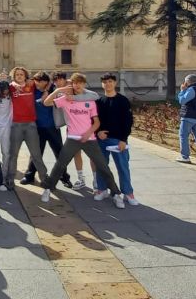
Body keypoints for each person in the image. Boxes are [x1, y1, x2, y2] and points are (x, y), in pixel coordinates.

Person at [41, 73, 124, 209]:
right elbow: (46, 102)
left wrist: (88, 133)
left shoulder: (89, 101)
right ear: (71, 84)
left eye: (80, 82)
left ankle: (116, 194)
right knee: (60, 164)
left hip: (89, 139)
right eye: (75, 83)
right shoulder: (65, 99)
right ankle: (48, 189)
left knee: (103, 166)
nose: (77, 85)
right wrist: (58, 90)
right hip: (73, 138)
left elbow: (96, 122)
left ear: (84, 84)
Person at [20, 72, 72, 188]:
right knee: (36, 154)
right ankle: (29, 176)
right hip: (38, 128)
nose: (37, 83)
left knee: (60, 154)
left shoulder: (54, 90)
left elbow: (68, 84)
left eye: (39, 81)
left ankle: (64, 177)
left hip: (53, 128)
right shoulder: (33, 90)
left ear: (46, 82)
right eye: (36, 80)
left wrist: (51, 89)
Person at [94, 73, 138, 206]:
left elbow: (128, 121)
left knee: (123, 167)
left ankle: (128, 193)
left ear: (115, 83)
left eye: (110, 81)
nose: (108, 84)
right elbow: (94, 120)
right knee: (101, 166)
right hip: (102, 139)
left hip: (118, 140)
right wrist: (97, 132)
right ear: (102, 84)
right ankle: (102, 189)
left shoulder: (123, 100)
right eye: (105, 82)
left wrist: (123, 139)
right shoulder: (99, 102)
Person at [4, 67, 49, 190]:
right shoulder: (11, 86)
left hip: (31, 125)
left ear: (25, 76)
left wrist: (46, 92)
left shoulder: (32, 85)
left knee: (36, 154)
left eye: (21, 74)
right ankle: (10, 179)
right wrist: (13, 83)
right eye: (17, 74)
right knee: (13, 154)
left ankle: (45, 178)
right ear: (14, 76)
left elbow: (47, 81)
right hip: (16, 125)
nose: (19, 76)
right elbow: (0, 85)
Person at [0, 79, 13, 182]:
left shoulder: (11, 97)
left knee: (6, 152)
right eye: (3, 91)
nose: (5, 94)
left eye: (7, 91)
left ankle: (4, 174)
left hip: (7, 127)